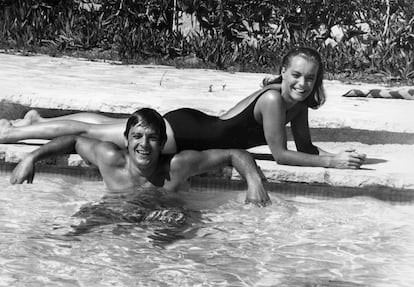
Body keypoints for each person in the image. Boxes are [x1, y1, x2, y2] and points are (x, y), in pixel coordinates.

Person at [1, 47, 365, 169]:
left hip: (195, 124)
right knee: (90, 133)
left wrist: (335, 154)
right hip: (184, 133)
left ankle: (37, 119)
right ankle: (14, 133)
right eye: (296, 76)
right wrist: (331, 163)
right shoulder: (273, 100)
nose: (303, 84)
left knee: (104, 123)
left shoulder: (295, 104)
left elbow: (304, 149)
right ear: (282, 72)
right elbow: (282, 155)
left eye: (310, 79)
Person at [10, 107, 271, 207]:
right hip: (116, 212)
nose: (143, 145)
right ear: (126, 139)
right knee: (75, 231)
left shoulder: (178, 167)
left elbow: (234, 154)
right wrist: (31, 157)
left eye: (152, 138)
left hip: (166, 220)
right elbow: (74, 141)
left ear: (163, 143)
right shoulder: (111, 158)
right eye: (137, 137)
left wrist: (254, 181)